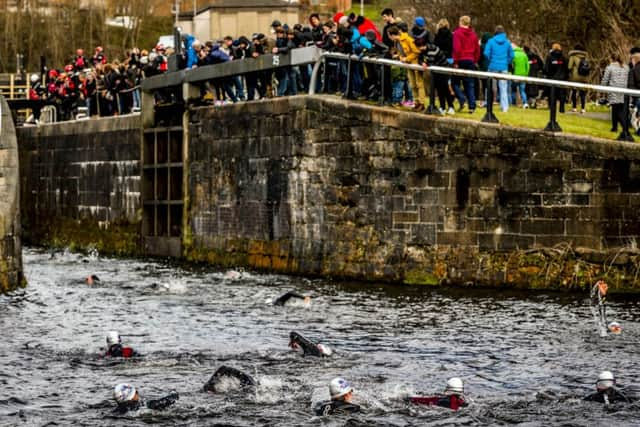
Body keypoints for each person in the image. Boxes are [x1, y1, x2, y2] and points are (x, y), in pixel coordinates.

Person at [388, 26, 424, 110]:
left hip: (415, 63)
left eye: (389, 36)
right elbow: (401, 53)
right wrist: (400, 57)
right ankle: (416, 102)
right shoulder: (397, 42)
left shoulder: (407, 39)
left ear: (393, 35)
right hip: (408, 64)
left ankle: (422, 103)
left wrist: (406, 59)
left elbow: (417, 51)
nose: (389, 38)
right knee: (412, 84)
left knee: (419, 84)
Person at [452, 15, 480, 113]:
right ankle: (472, 106)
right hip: (471, 60)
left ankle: (461, 98)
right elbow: (477, 49)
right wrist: (475, 60)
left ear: (460, 22)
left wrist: (455, 61)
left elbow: (457, 48)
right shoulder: (473, 35)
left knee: (455, 82)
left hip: (460, 60)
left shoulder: (457, 33)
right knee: (470, 84)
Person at [483, 25, 513, 113]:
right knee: (503, 88)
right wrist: (506, 62)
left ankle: (488, 104)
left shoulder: (491, 41)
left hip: (493, 66)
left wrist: (491, 60)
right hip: (503, 67)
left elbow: (486, 53)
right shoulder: (507, 42)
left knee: (490, 87)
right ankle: (505, 108)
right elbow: (512, 55)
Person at [601, 53, 629, 132]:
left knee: (616, 110)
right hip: (623, 90)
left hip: (614, 90)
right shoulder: (626, 67)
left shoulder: (610, 67)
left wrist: (602, 88)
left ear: (611, 59)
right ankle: (614, 127)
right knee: (617, 108)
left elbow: (605, 79)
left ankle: (624, 127)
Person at [113, 383, 179, 414]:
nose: (137, 393)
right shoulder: (139, 406)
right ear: (130, 396)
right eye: (135, 392)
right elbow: (161, 403)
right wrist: (174, 395)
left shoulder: (117, 410)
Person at [543, 43, 569, 113]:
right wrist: (566, 77)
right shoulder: (564, 58)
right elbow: (567, 69)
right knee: (562, 95)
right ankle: (561, 109)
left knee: (552, 94)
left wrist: (547, 75)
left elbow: (546, 69)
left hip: (552, 79)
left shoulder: (549, 57)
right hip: (562, 79)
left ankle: (552, 109)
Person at [567, 44, 589, 113]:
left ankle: (574, 107)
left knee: (574, 91)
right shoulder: (586, 57)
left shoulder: (573, 56)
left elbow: (569, 67)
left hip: (575, 77)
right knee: (582, 93)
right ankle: (583, 108)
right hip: (584, 76)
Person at [511, 40, 530, 108]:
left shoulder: (513, 54)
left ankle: (513, 103)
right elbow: (527, 66)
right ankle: (525, 103)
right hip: (523, 75)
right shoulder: (524, 55)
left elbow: (512, 65)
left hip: (515, 75)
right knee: (522, 90)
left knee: (513, 90)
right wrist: (526, 74)